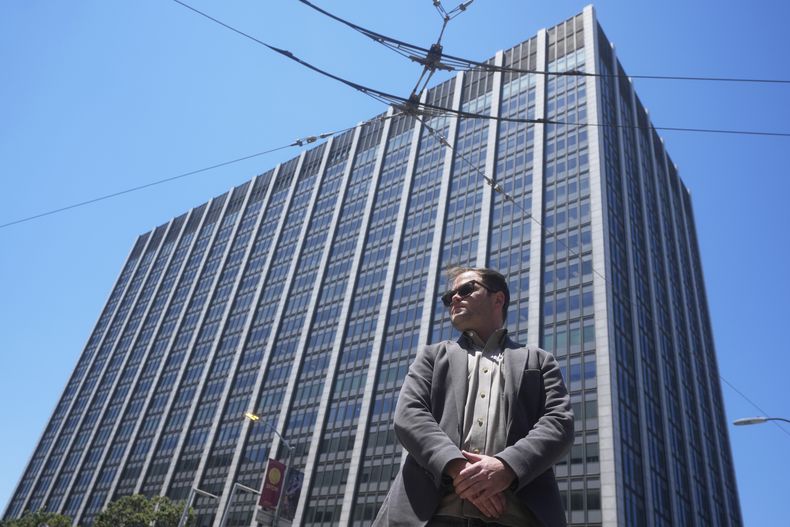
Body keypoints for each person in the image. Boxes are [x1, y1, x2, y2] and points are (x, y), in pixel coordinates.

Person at [372, 267, 574, 527]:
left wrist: (506, 468)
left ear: (498, 299)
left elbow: (559, 423)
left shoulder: (539, 360)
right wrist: (460, 470)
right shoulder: (433, 356)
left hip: (516, 518)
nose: (454, 298)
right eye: (449, 297)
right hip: (431, 516)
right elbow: (409, 415)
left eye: (466, 289)